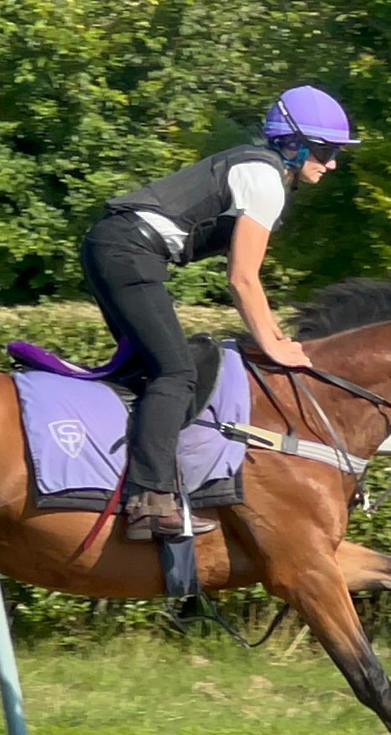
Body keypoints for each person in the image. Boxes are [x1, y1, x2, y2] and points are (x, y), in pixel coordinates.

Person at [79, 85, 360, 541]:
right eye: (325, 150)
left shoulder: (261, 172)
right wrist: (272, 345)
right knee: (176, 373)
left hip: (114, 247)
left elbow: (251, 282)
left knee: (149, 372)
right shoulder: (264, 180)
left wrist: (280, 340)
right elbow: (242, 279)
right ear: (293, 143)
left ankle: (115, 480)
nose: (331, 164)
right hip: (127, 252)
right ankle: (150, 502)